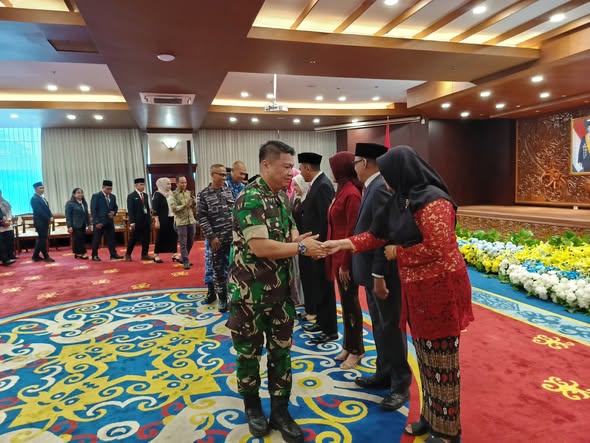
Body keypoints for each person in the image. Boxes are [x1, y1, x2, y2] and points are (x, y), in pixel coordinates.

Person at [323, 145, 474, 443]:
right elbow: (377, 235)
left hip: (440, 292)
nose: (386, 180)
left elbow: (439, 248)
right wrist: (342, 244)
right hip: (418, 292)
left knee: (442, 363)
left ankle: (448, 431)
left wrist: (398, 253)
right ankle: (430, 418)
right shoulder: (402, 198)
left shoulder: (433, 200)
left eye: (389, 174)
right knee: (426, 360)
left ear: (402, 172)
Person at [226, 140, 325, 442]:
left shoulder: (280, 197)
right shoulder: (250, 198)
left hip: (280, 293)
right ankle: (253, 407)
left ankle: (280, 410)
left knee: (281, 352)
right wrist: (301, 248)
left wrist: (299, 239)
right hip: (250, 296)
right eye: (285, 167)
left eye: (292, 167)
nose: (291, 172)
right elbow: (261, 247)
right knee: (248, 354)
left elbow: (289, 232)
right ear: (266, 165)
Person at [326, 151, 365, 369]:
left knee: (351, 304)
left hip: (346, 259)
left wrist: (345, 263)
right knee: (346, 304)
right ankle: (348, 345)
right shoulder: (341, 190)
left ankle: (357, 349)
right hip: (337, 256)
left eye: (334, 167)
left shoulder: (352, 194)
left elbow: (352, 231)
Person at [298, 152, 337, 344]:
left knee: (324, 288)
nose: (300, 172)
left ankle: (329, 330)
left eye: (300, 168)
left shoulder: (322, 185)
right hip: (314, 246)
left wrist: (320, 248)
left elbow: (325, 221)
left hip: (320, 248)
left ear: (307, 167)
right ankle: (321, 322)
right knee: (317, 287)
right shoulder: (317, 184)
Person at [198, 164, 235, 312]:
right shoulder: (204, 195)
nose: (224, 178)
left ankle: (233, 297)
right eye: (221, 175)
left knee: (234, 269)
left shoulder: (228, 191)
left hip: (232, 238)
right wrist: (212, 237)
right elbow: (202, 218)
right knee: (218, 270)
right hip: (216, 240)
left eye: (225, 175)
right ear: (213, 175)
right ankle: (222, 299)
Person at [167, 176, 196, 270]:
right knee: (183, 243)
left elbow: (193, 206)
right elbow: (174, 208)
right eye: (182, 182)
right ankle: (186, 261)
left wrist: (194, 202)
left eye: (185, 182)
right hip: (181, 222)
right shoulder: (173, 194)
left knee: (190, 242)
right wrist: (185, 205)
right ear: (177, 183)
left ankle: (184, 258)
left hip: (191, 220)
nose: (184, 184)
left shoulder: (188, 193)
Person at [90, 180, 123, 261]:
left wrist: (113, 213)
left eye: (111, 189)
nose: (109, 191)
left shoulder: (113, 197)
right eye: (108, 189)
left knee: (111, 239)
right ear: (103, 187)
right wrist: (97, 222)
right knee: (97, 239)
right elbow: (93, 210)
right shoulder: (96, 196)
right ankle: (94, 255)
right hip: (99, 222)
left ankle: (113, 254)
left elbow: (115, 207)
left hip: (109, 222)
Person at [152, 177, 179, 263]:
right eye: (167, 184)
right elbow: (155, 209)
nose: (170, 185)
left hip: (172, 218)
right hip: (162, 219)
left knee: (173, 236)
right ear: (162, 184)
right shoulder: (157, 194)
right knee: (161, 236)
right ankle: (156, 255)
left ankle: (174, 254)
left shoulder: (171, 193)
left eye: (170, 184)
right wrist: (157, 221)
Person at [125, 178, 153, 261]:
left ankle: (144, 254)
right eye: (141, 185)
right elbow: (130, 210)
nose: (142, 186)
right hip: (137, 221)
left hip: (146, 221)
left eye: (143, 184)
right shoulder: (131, 196)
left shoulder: (145, 195)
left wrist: (150, 219)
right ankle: (128, 254)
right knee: (133, 238)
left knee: (146, 238)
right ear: (136, 186)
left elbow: (147, 208)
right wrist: (132, 222)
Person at [30, 181, 54, 262]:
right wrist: (48, 218)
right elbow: (39, 211)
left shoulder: (42, 198)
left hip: (44, 221)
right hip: (40, 222)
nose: (42, 189)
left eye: (43, 188)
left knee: (41, 239)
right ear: (36, 189)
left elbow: (47, 209)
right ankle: (46, 257)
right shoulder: (34, 199)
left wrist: (51, 216)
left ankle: (35, 256)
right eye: (40, 188)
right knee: (42, 240)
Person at [65, 188, 90, 259]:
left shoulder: (84, 202)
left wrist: (88, 224)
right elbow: (68, 215)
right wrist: (69, 226)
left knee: (81, 238)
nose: (80, 194)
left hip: (83, 224)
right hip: (75, 224)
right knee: (78, 239)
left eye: (81, 193)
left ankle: (77, 253)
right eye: (78, 193)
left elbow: (86, 214)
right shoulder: (70, 203)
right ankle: (82, 253)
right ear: (74, 194)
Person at [0, 190, 16, 266]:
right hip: (1, 225)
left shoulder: (5, 202)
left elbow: (9, 211)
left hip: (7, 223)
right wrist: (2, 222)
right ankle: (5, 259)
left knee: (10, 239)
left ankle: (10, 255)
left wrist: (8, 220)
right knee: (2, 243)